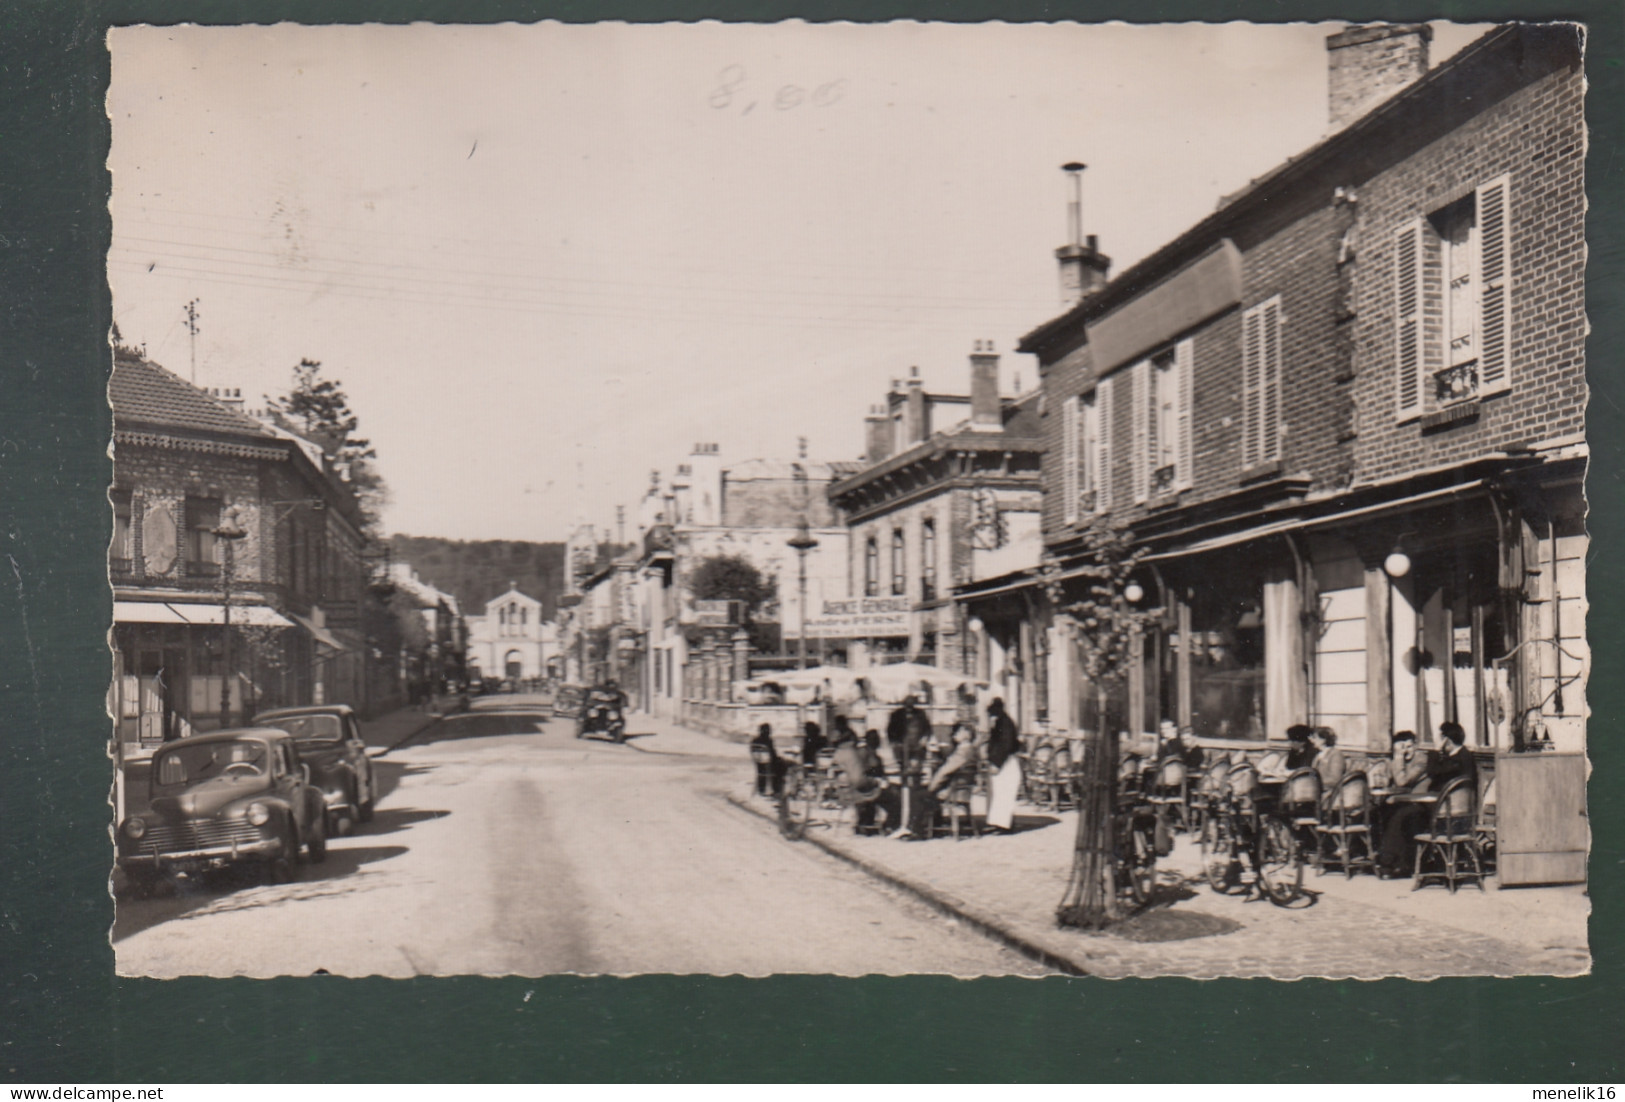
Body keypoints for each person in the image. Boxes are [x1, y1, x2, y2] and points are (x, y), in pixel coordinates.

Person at [1377, 722, 1479, 877]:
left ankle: (1391, 863)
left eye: (1441, 738)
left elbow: (1434, 772)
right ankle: (1399, 862)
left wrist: (1437, 750)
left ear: (1447, 740)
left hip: (1447, 812)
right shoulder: (1455, 757)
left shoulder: (1461, 758)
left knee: (1402, 815)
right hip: (1442, 807)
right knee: (1396, 812)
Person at [831, 721, 900, 834]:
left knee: (891, 791)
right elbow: (859, 779)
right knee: (895, 796)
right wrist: (875, 781)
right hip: (860, 792)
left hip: (849, 791)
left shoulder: (840, 753)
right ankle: (890, 825)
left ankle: (874, 823)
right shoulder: (855, 753)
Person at [983, 697, 1022, 833]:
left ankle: (1004, 825)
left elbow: (1005, 745)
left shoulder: (1005, 724)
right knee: (999, 793)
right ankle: (999, 822)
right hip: (1001, 762)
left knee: (1004, 793)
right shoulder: (1001, 722)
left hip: (1006, 763)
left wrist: (996, 764)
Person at [749, 723, 787, 797]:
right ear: (769, 731)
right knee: (781, 766)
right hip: (769, 765)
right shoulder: (768, 740)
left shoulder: (755, 741)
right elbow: (773, 755)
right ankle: (777, 789)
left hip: (759, 765)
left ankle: (761, 789)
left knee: (776, 766)